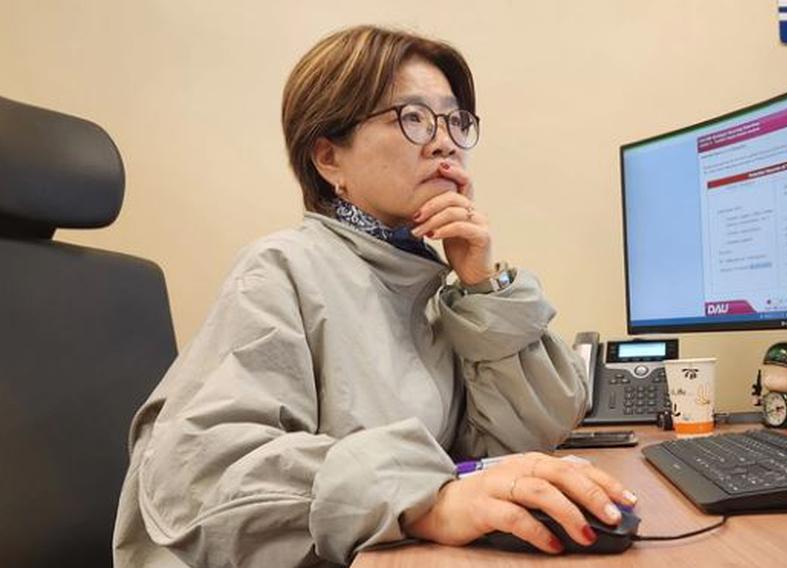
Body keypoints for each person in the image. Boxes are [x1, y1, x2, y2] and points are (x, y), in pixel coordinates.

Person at [113, 25, 637, 568]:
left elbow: (526, 438)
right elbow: (198, 472)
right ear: (328, 159)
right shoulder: (280, 268)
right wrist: (423, 497)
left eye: (456, 120)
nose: (445, 141)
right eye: (412, 118)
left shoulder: (435, 290)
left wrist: (482, 287)